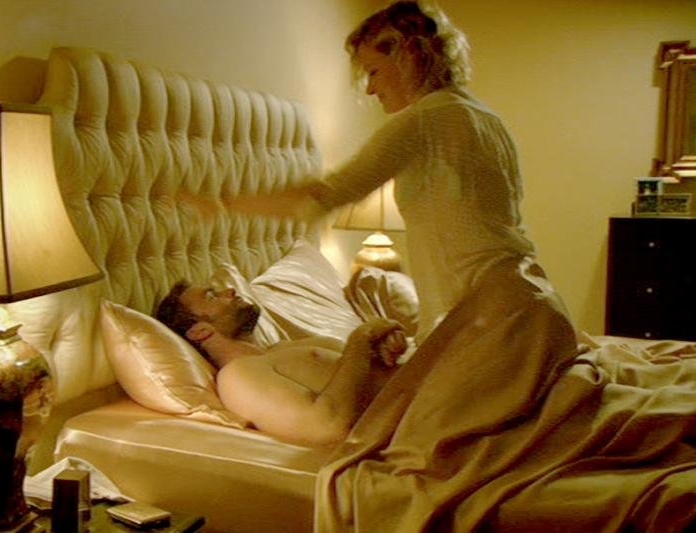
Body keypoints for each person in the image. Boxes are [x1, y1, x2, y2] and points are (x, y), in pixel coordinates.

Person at [195, 0, 572, 343]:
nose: (371, 89)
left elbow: (322, 196)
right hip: (530, 299)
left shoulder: (424, 120)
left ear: (408, 55)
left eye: (373, 71)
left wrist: (222, 203)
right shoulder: (485, 118)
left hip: (484, 317)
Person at [155, 280, 408, 446]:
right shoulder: (237, 375)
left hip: (420, 392)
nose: (229, 291)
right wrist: (362, 338)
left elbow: (360, 372)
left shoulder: (281, 349)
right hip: (415, 419)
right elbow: (327, 427)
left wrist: (382, 347)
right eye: (211, 295)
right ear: (199, 331)